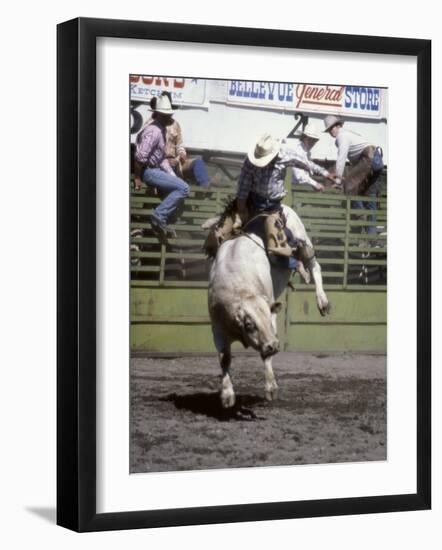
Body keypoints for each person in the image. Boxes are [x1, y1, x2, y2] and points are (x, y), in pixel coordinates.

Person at [133, 94, 189, 242]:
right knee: (183, 188)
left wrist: (172, 176)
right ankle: (159, 215)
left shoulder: (161, 129)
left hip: (155, 168)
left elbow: (161, 158)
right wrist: (138, 177)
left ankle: (162, 216)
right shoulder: (154, 131)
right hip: (149, 171)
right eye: (164, 115)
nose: (167, 118)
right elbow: (140, 157)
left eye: (168, 115)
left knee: (181, 186)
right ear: (157, 114)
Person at [136, 92, 211, 190]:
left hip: (176, 163)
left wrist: (181, 154)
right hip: (158, 165)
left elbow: (179, 144)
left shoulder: (175, 124)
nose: (168, 115)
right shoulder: (150, 126)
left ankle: (205, 191)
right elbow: (143, 152)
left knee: (198, 162)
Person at [323, 115, 384, 236]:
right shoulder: (350, 135)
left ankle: (361, 216)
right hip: (376, 160)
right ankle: (371, 236)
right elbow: (356, 162)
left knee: (348, 186)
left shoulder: (342, 136)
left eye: (332, 128)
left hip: (369, 159)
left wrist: (338, 180)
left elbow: (341, 159)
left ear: (338, 125)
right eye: (329, 130)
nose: (331, 131)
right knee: (370, 195)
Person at [291, 123, 334, 191]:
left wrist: (326, 174)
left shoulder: (305, 152)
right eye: (310, 139)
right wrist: (315, 184)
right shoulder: (297, 151)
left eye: (314, 140)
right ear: (304, 138)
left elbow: (311, 165)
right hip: (292, 189)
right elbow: (300, 175)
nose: (312, 142)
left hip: (298, 188)